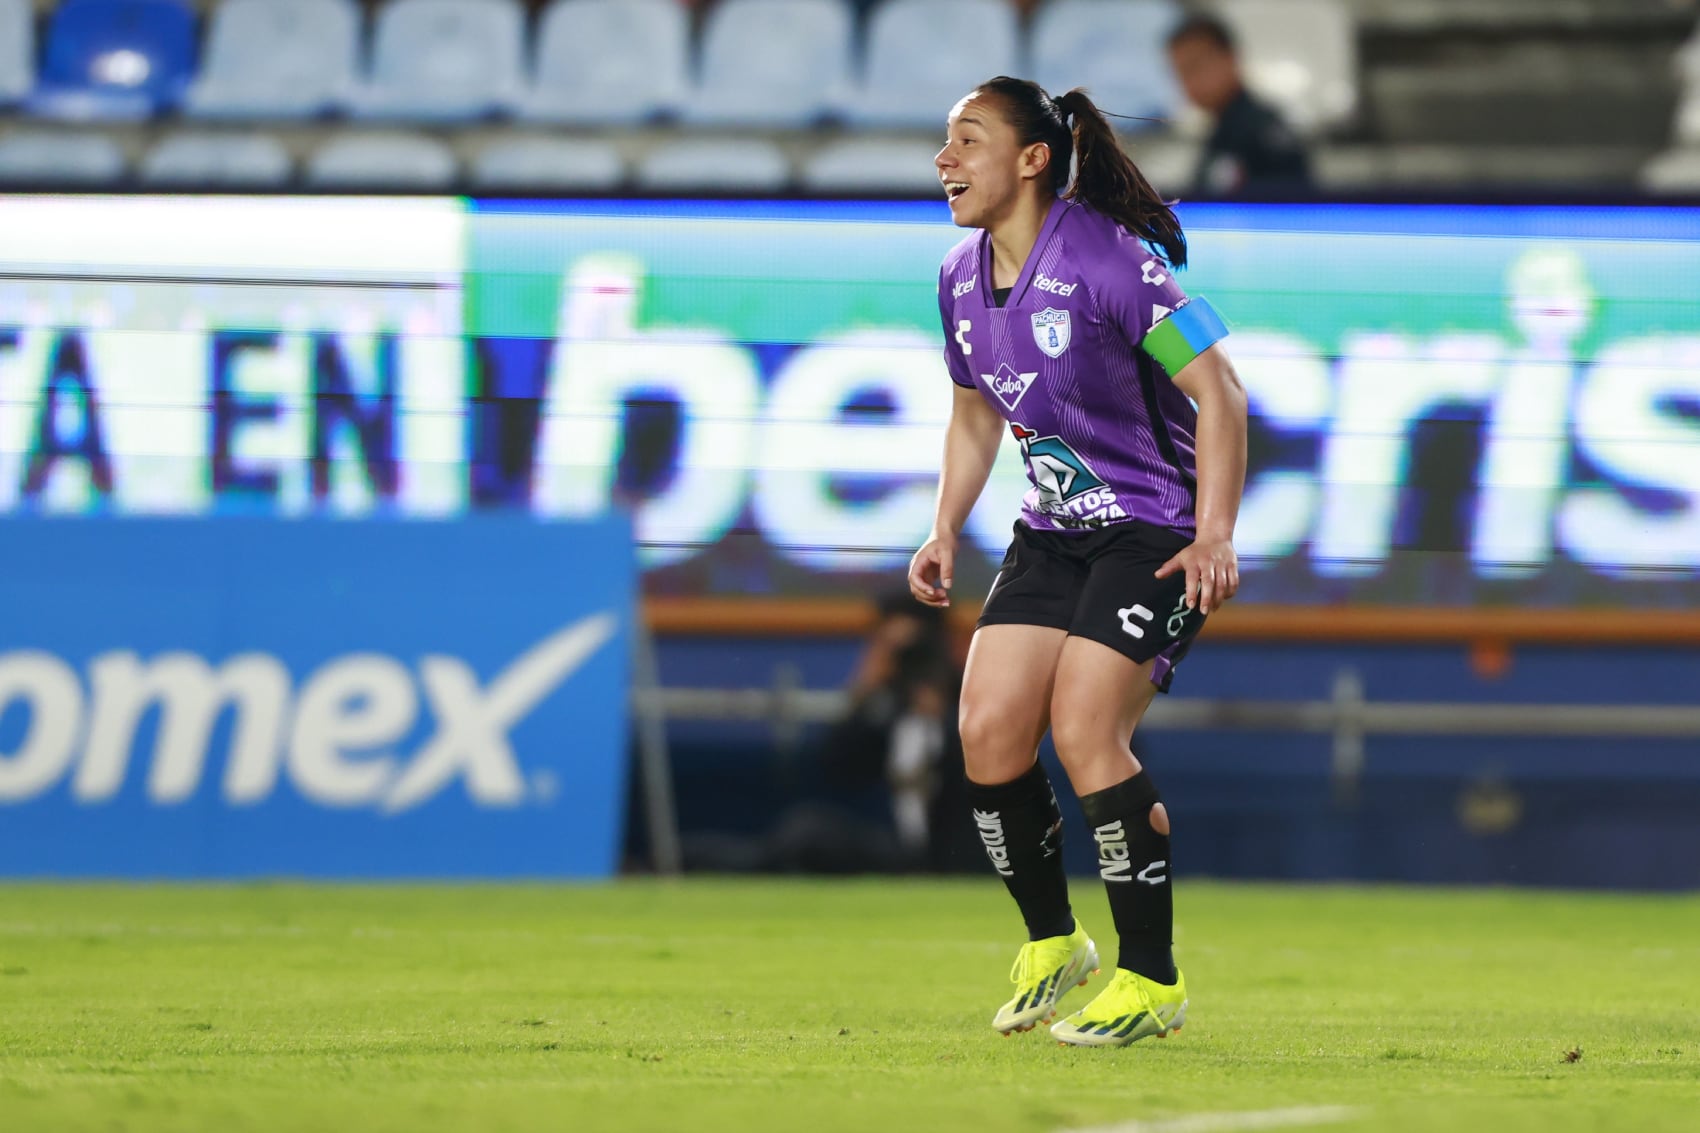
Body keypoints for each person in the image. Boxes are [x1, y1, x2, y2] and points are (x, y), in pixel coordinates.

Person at [913, 76, 1247, 1047]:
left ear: (1031, 159)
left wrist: (1213, 532)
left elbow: (1218, 391)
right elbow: (976, 407)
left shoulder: (1111, 260)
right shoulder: (953, 276)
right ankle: (1053, 943)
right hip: (1055, 529)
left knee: (1085, 725)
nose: (944, 160)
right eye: (944, 142)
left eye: (966, 140)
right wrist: (942, 526)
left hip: (1154, 526)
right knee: (985, 728)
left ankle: (1151, 978)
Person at [1166, 13, 1312, 198]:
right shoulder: (1224, 132)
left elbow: (1291, 210)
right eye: (1180, 73)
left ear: (1230, 58)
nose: (1189, 83)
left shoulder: (1261, 133)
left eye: (1195, 67)